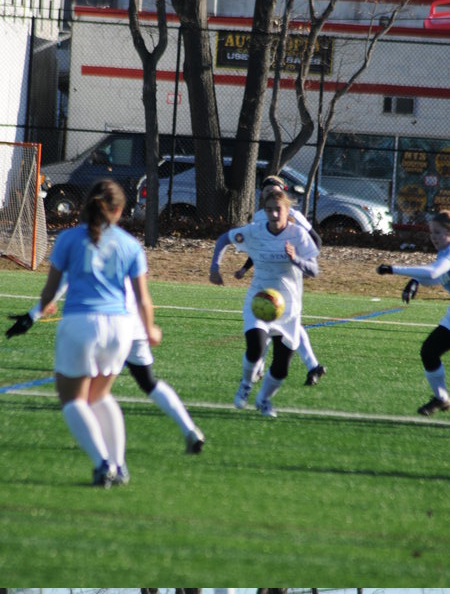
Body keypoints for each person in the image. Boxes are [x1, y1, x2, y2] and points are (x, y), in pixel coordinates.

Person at [34, 179, 163, 487]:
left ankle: (103, 463)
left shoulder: (68, 238)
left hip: (81, 323)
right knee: (100, 396)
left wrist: (42, 306)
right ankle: (119, 465)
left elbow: (51, 289)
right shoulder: (130, 244)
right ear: (118, 211)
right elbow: (143, 299)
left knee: (73, 400)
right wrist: (149, 329)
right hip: (120, 328)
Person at [6, 279, 205, 457]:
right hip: (134, 324)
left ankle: (104, 455)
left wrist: (32, 315)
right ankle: (189, 430)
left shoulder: (80, 248)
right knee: (147, 381)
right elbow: (141, 294)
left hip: (105, 325)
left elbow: (62, 281)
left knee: (90, 394)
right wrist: (149, 327)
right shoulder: (129, 250)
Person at [210, 187, 319, 417]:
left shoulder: (298, 235)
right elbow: (224, 239)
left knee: (281, 368)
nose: (274, 214)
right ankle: (245, 385)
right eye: (269, 210)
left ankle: (263, 399)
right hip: (259, 301)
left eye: (278, 209)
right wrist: (214, 268)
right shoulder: (255, 231)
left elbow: (314, 271)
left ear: (287, 210)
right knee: (256, 347)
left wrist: (295, 259)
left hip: (288, 310)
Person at [233, 175, 326, 387]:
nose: (270, 194)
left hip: (288, 275)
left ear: (282, 193)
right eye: (266, 191)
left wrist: (302, 263)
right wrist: (245, 268)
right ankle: (309, 366)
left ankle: (263, 369)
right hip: (268, 276)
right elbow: (261, 248)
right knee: (269, 318)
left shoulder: (293, 215)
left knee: (279, 320)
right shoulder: (259, 217)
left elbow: (316, 240)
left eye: (274, 190)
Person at [377, 210, 450, 416]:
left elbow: (434, 272)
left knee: (430, 351)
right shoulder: (443, 253)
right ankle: (442, 398)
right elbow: (436, 277)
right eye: (432, 232)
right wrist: (415, 280)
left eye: (438, 232)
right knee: (429, 352)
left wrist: (393, 269)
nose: (434, 237)